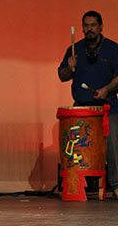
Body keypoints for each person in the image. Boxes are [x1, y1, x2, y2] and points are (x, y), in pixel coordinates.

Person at [58, 10, 118, 198]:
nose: (89, 29)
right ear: (82, 28)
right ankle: (80, 185)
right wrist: (70, 66)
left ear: (100, 27)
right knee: (79, 147)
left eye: (93, 25)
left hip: (108, 106)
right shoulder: (74, 49)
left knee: (113, 146)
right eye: (86, 25)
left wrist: (107, 89)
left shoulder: (112, 49)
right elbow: (62, 76)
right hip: (82, 109)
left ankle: (116, 185)